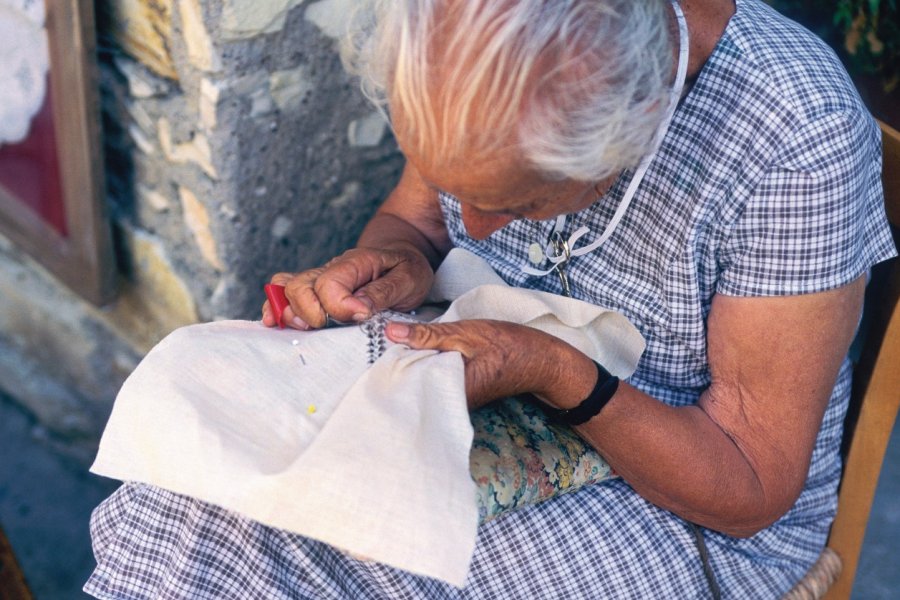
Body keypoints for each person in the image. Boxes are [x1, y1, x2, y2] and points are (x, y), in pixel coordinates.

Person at [85, 0, 896, 598]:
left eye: (517, 205)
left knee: (367, 569)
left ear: (637, 126)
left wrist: (550, 367)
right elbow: (419, 220)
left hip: (683, 499)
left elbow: (749, 486)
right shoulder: (466, 32)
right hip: (493, 398)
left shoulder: (793, 140)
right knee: (193, 501)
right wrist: (397, 256)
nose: (470, 225)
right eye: (453, 186)